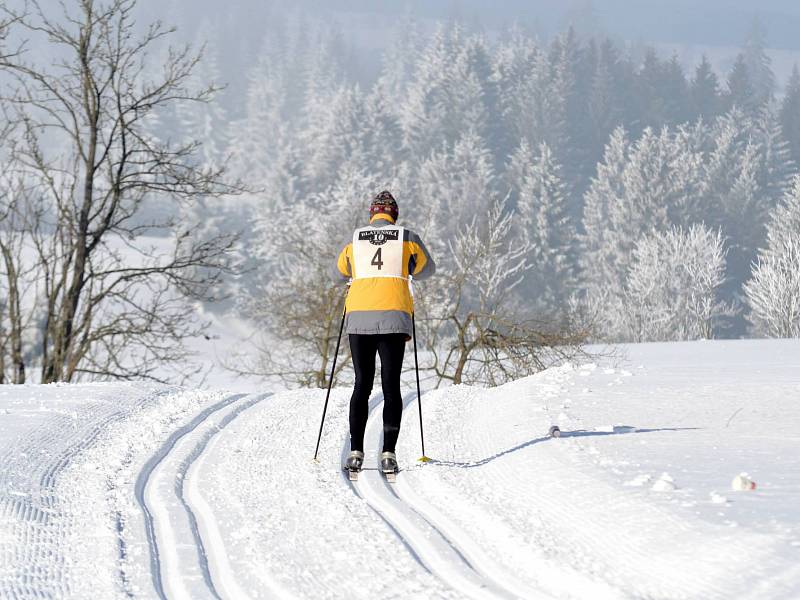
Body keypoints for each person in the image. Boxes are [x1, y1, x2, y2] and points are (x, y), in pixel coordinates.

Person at [333, 190, 435, 476]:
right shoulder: (408, 238)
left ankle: (355, 453)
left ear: (372, 214)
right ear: (394, 215)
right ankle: (388, 453)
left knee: (361, 385)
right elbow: (428, 270)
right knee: (391, 386)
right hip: (393, 316)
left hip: (359, 317)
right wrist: (408, 267)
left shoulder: (356, 239)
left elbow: (337, 273)